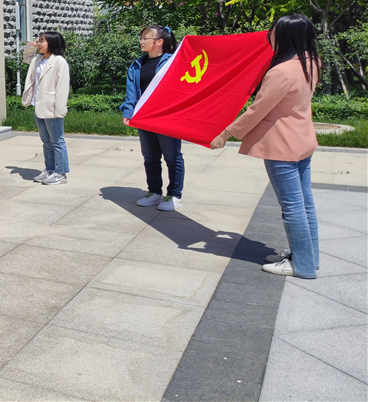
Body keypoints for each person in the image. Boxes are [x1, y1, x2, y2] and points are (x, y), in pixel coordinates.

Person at [211, 14, 321, 278]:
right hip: (302, 139)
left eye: (272, 31)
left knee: (292, 206)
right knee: (304, 202)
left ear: (284, 36)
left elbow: (257, 110)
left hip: (281, 145)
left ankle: (303, 266)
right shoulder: (312, 62)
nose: (269, 36)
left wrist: (226, 133)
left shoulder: (280, 72)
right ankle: (309, 257)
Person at [121, 25, 185, 210]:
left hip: (166, 117)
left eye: (145, 38)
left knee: (172, 157)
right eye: (141, 38)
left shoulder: (172, 62)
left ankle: (174, 195)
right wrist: (128, 111)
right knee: (150, 157)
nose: (141, 41)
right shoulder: (137, 65)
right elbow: (132, 92)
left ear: (159, 42)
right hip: (144, 117)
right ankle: (155, 192)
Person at [21, 31, 71, 185]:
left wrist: (59, 110)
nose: (39, 43)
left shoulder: (59, 62)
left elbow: (62, 88)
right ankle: (49, 169)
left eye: (42, 41)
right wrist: (32, 46)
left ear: (52, 43)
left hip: (52, 107)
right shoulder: (38, 59)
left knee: (57, 141)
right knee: (46, 141)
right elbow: (26, 57)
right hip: (38, 105)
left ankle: (60, 173)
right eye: (39, 40)